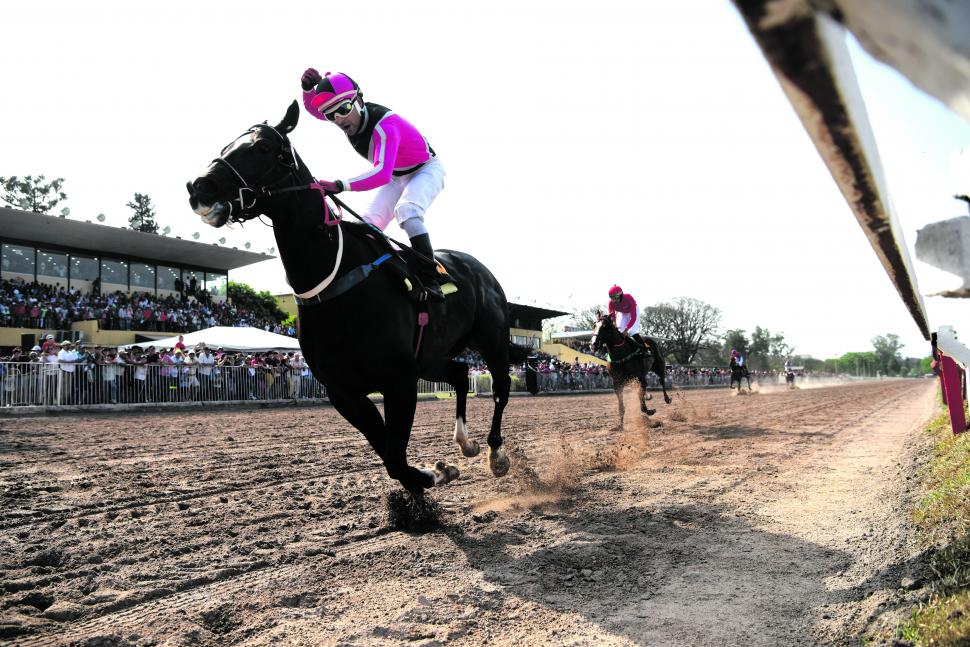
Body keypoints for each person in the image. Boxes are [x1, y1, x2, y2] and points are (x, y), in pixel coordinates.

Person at [300, 68, 448, 301]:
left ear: (359, 100)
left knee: (408, 211)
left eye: (344, 109)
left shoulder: (385, 127)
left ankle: (431, 278)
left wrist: (340, 185)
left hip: (426, 170)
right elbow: (314, 109)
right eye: (332, 115)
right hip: (397, 176)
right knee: (368, 225)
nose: (338, 119)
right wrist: (308, 90)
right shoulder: (346, 114)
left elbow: (380, 173)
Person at [607, 285, 648, 351]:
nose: (614, 300)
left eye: (616, 297)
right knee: (619, 332)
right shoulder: (610, 304)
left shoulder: (628, 297)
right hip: (622, 313)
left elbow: (633, 317)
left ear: (621, 295)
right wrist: (615, 326)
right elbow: (613, 319)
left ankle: (646, 350)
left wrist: (626, 329)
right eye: (612, 298)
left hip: (633, 312)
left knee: (631, 331)